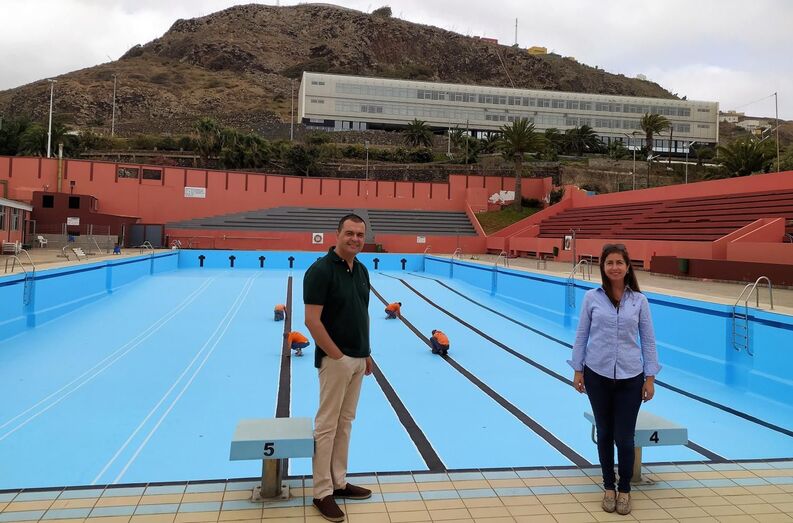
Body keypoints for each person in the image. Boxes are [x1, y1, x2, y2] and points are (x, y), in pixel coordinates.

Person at [568, 243, 660, 516]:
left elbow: (648, 340)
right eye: (610, 263)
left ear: (628, 267)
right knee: (605, 433)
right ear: (603, 267)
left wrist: (650, 378)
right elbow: (581, 335)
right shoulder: (592, 298)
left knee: (624, 437)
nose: (615, 267)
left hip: (631, 378)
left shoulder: (639, 301)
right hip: (597, 375)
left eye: (619, 262)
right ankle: (609, 487)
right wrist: (578, 370)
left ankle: (625, 490)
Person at [304, 213, 373, 522]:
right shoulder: (320, 271)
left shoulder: (361, 270)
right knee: (327, 426)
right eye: (350, 233)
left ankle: (339, 482)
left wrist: (366, 353)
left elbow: (362, 313)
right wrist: (338, 356)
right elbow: (311, 321)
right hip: (336, 361)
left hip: (358, 358)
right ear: (337, 234)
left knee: (345, 423)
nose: (355, 239)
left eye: (360, 234)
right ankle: (322, 492)